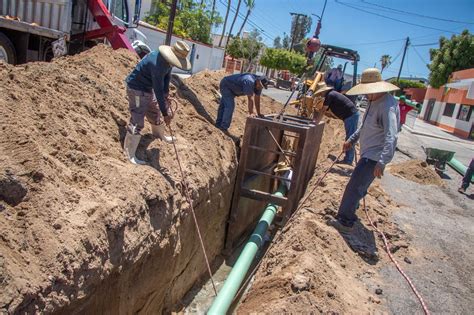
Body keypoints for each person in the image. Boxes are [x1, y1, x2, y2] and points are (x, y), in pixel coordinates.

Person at [328, 68, 400, 233]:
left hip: (374, 157)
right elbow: (364, 126)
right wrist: (352, 140)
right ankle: (350, 212)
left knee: (354, 187)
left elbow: (392, 135)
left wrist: (382, 161)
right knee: (358, 186)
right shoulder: (373, 101)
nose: (366, 95)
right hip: (368, 153)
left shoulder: (387, 106)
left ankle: (345, 221)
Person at [123, 41, 191, 165]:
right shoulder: (157, 64)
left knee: (154, 111)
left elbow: (166, 79)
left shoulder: (167, 62)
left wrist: (166, 97)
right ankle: (129, 153)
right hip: (137, 88)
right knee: (137, 119)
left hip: (147, 88)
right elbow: (158, 90)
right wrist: (166, 113)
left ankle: (160, 135)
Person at [313, 82, 360, 165]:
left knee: (350, 138)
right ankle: (348, 158)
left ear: (323, 91)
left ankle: (348, 160)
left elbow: (323, 110)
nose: (320, 95)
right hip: (350, 115)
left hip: (350, 116)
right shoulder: (332, 94)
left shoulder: (329, 95)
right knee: (350, 137)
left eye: (320, 93)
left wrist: (316, 122)